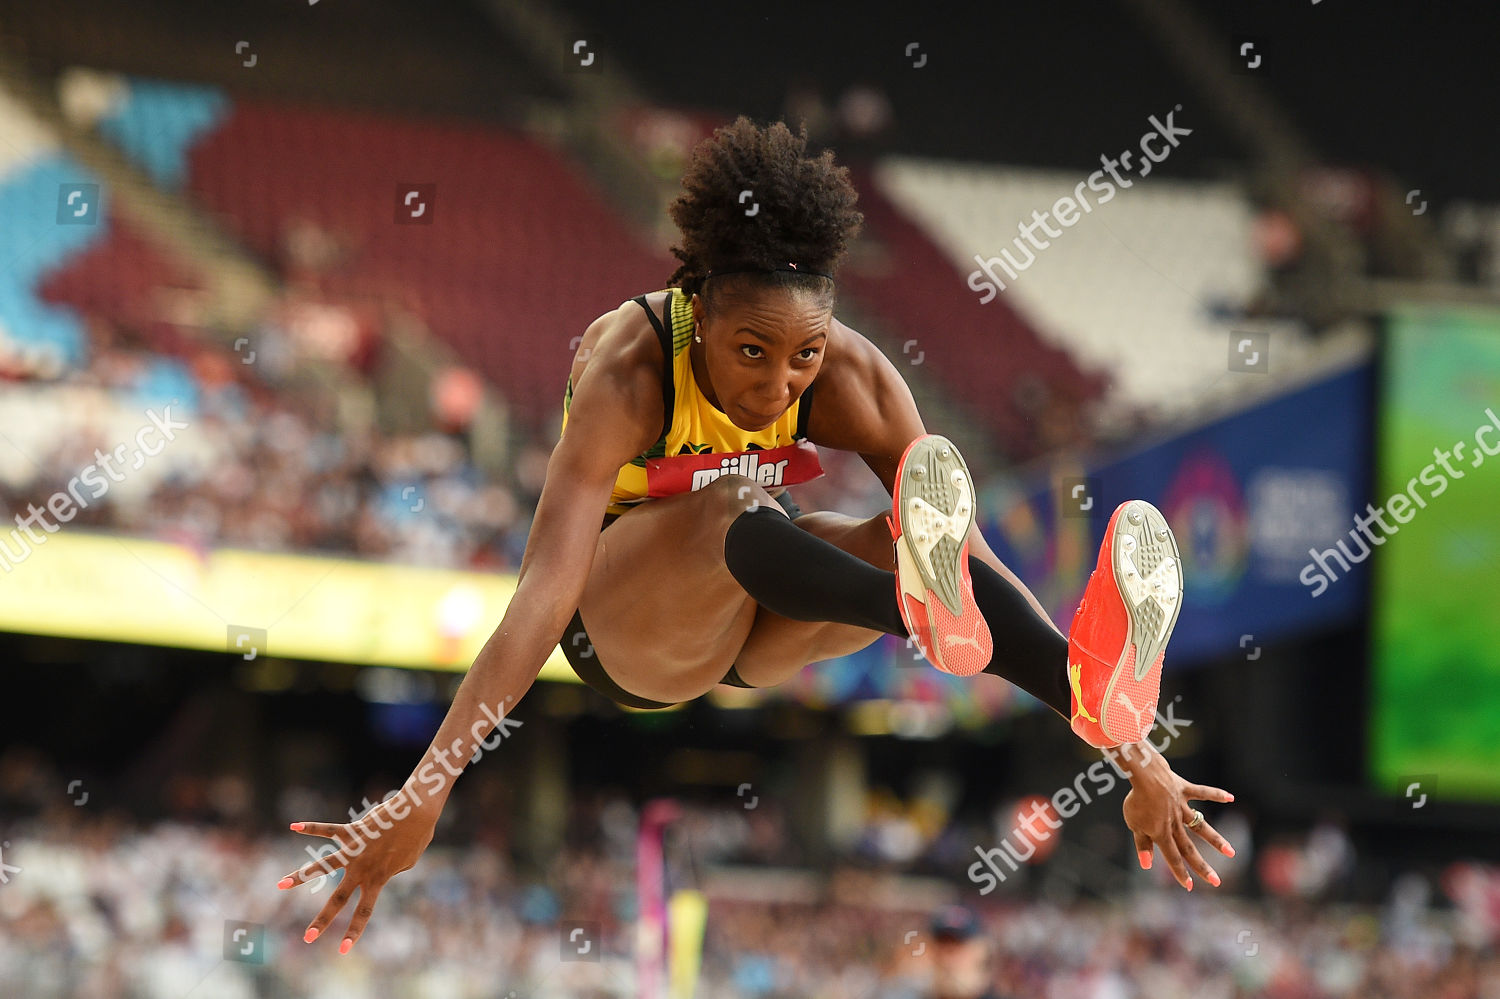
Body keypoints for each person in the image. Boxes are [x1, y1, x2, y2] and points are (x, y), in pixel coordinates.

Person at [275, 117, 1236, 954]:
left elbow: (973, 560)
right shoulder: (630, 368)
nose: (780, 386)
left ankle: (1049, 667)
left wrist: (1136, 755)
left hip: (763, 628)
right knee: (736, 498)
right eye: (752, 353)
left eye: (803, 355)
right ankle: (908, 605)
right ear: (697, 313)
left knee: (907, 532)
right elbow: (544, 588)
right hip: (626, 633)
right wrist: (427, 785)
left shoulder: (850, 377)